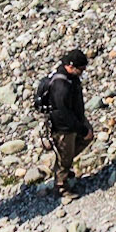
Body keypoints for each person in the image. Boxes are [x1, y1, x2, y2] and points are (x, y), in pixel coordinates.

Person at [39, 49, 94, 200]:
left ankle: (62, 168)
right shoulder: (61, 87)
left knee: (73, 149)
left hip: (74, 121)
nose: (82, 72)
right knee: (65, 156)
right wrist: (82, 130)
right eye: (81, 69)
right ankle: (61, 187)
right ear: (71, 66)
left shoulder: (70, 77)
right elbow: (63, 114)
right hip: (63, 128)